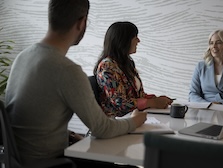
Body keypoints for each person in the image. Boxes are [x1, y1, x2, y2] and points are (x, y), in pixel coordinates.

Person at [4, 0, 146, 167]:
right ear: (81, 23)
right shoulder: (67, 70)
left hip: (18, 161)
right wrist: (135, 121)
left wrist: (69, 135)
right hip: (52, 163)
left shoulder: (22, 57)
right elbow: (102, 128)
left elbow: (33, 122)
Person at [93, 21, 173, 117]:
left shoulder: (127, 63)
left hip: (133, 118)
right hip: (116, 122)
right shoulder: (107, 67)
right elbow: (121, 103)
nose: (138, 41)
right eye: (135, 37)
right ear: (123, 41)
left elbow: (136, 96)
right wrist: (152, 103)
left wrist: (156, 99)